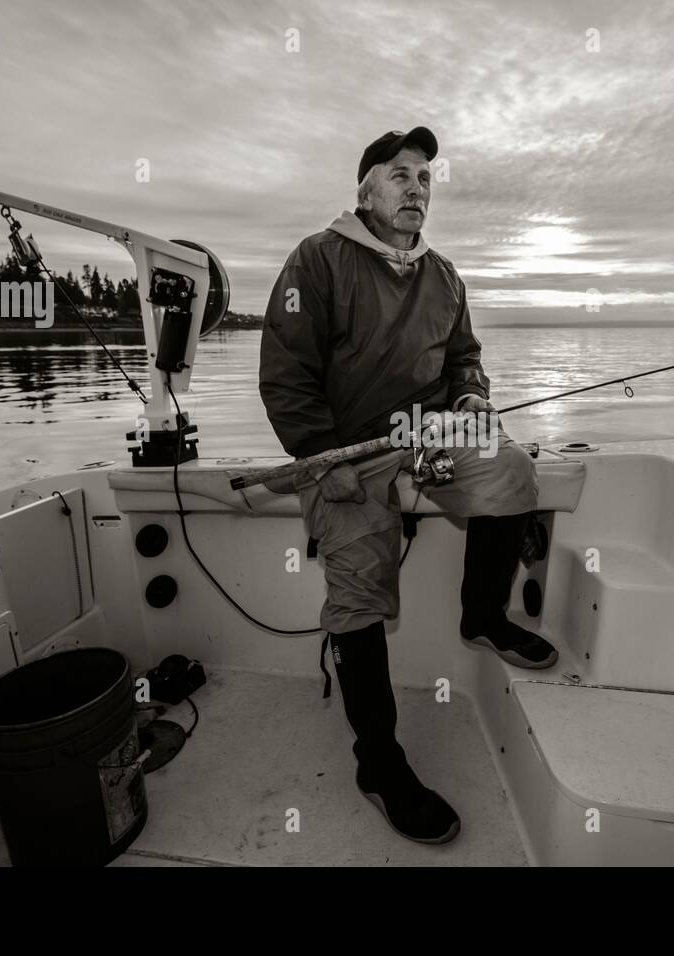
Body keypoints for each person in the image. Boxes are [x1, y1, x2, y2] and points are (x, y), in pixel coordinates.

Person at [258, 127, 558, 845]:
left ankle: (482, 615)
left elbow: (465, 361)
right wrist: (322, 459)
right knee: (360, 593)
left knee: (512, 471)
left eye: (425, 178)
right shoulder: (317, 260)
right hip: (346, 454)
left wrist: (471, 400)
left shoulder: (446, 277)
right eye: (400, 176)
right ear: (366, 191)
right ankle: (379, 763)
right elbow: (286, 377)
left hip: (429, 442)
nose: (417, 188)